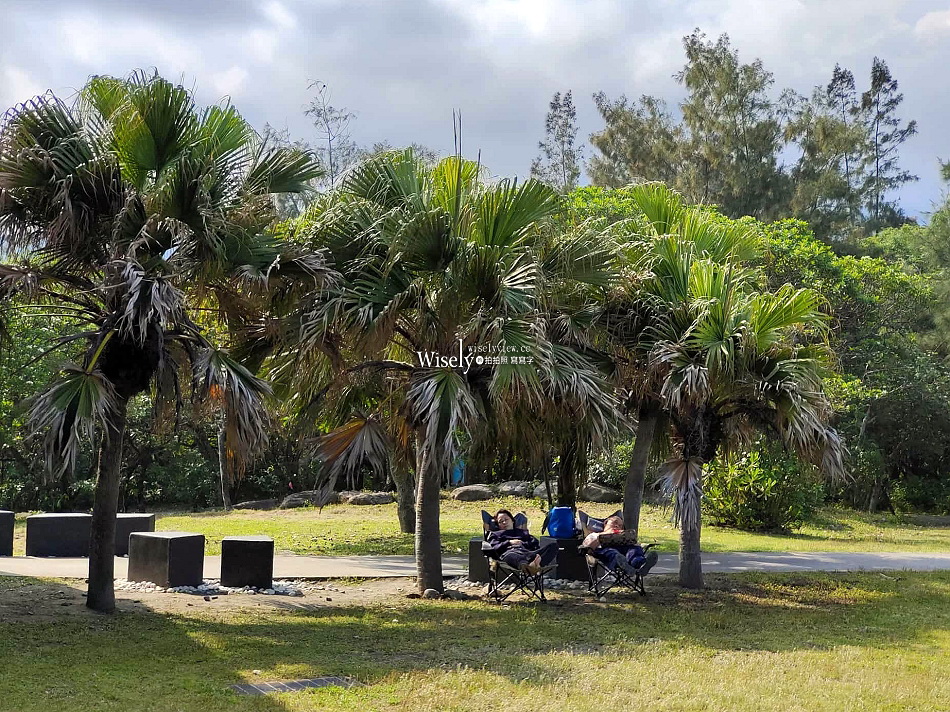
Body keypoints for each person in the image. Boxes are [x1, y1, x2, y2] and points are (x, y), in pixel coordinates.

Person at [484, 509, 558, 575]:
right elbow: (494, 547)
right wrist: (509, 542)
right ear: (498, 525)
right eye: (500, 521)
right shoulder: (496, 534)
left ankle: (535, 566)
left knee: (553, 546)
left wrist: (523, 543)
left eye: (506, 519)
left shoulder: (523, 533)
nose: (504, 522)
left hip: (527, 554)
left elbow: (534, 543)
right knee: (514, 555)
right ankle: (528, 567)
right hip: (509, 553)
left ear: (512, 520)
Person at [581, 515, 657, 576]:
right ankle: (622, 566)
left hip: (625, 549)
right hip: (605, 549)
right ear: (605, 523)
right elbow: (586, 547)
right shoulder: (594, 535)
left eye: (620, 525)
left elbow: (636, 545)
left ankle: (641, 565)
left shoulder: (624, 535)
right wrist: (604, 535)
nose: (617, 526)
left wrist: (632, 540)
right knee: (613, 553)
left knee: (634, 549)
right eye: (615, 522)